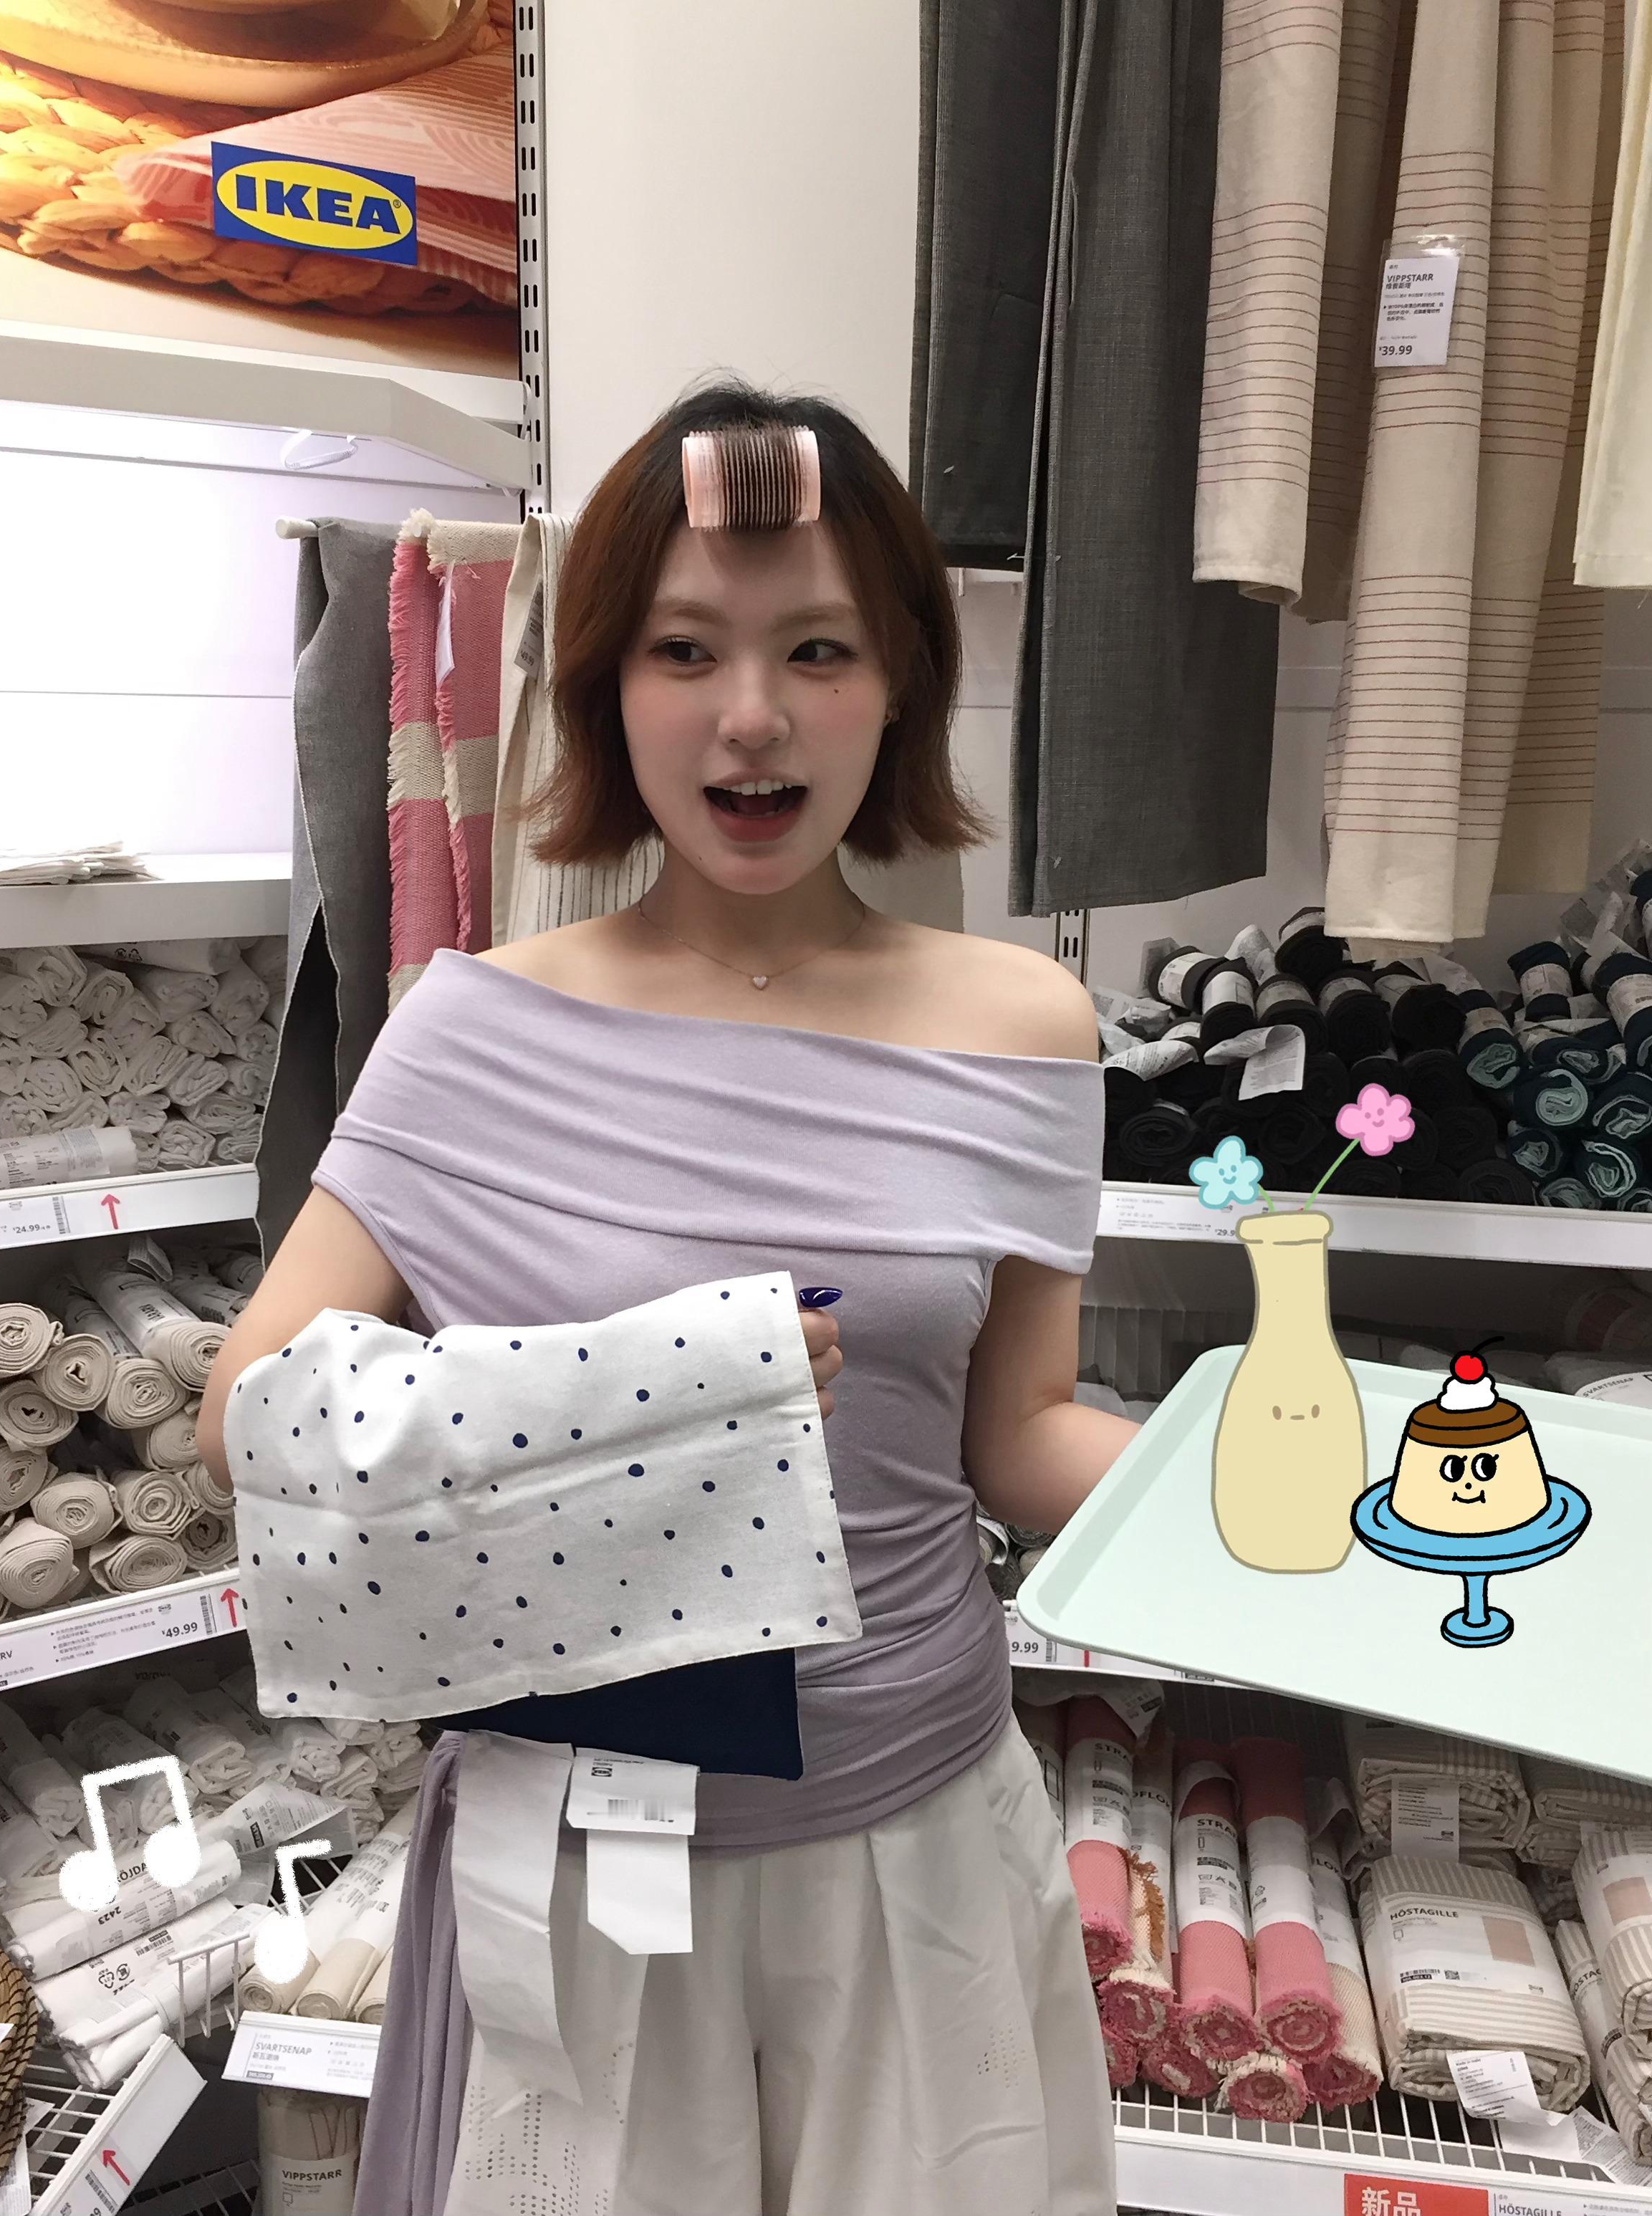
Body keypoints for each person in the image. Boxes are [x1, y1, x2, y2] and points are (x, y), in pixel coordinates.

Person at [196, 381, 1136, 2216]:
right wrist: (666, 1385)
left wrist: (1283, 1500)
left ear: (900, 679)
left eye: (817, 648)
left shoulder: (1022, 1026)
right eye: (684, 648)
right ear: (605, 686)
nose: (750, 714)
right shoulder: (474, 1029)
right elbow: (250, 1417)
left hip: (920, 1841)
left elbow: (1016, 1429)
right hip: (582, 1864)